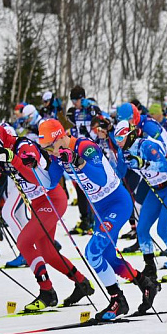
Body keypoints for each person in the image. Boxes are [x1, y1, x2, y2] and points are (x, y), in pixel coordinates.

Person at [34, 119, 159, 319]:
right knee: (108, 257)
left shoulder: (86, 147)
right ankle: (146, 283)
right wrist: (35, 166)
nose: (50, 152)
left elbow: (100, 178)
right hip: (100, 209)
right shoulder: (57, 156)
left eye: (50, 147)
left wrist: (78, 161)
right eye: (45, 149)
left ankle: (117, 300)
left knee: (92, 252)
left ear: (60, 138)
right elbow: (48, 183)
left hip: (118, 203)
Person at [0, 122, 93, 311]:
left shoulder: (23, 147)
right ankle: (82, 283)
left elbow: (35, 178)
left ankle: (47, 292)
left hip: (52, 198)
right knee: (47, 252)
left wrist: (13, 159)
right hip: (38, 204)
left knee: (24, 242)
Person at [114, 120, 167, 283]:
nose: (118, 142)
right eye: (116, 138)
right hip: (155, 189)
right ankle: (150, 268)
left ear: (130, 135)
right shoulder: (123, 152)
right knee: (142, 229)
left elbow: (165, 167)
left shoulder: (147, 146)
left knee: (163, 230)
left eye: (121, 137)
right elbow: (119, 173)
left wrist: (143, 163)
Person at [66, 85, 100, 235]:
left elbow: (100, 125)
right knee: (80, 186)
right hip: (79, 149)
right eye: (72, 100)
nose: (74, 103)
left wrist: (93, 109)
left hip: (92, 150)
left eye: (76, 100)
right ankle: (85, 219)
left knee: (92, 186)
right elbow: (74, 128)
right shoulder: (77, 111)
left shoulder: (91, 108)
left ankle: (94, 219)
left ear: (82, 98)